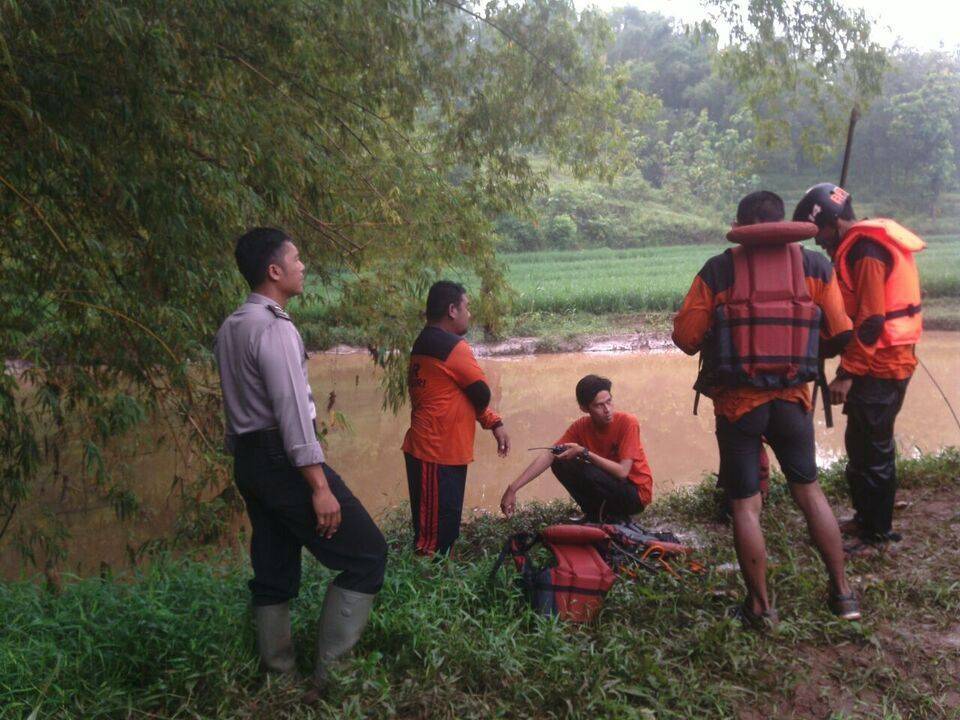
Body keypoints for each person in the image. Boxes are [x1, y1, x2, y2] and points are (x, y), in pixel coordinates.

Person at [672, 191, 860, 627]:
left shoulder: (720, 269)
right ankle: (843, 594)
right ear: (781, 221)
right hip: (794, 401)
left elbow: (686, 338)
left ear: (741, 224)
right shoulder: (816, 266)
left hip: (739, 406)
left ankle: (760, 608)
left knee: (746, 506)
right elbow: (839, 332)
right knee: (809, 491)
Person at [214, 227, 387, 698]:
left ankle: (280, 681)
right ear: (274, 271)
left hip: (249, 461)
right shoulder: (274, 326)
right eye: (296, 258)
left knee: (273, 569)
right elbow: (290, 409)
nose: (303, 265)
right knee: (369, 554)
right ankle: (331, 679)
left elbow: (236, 408)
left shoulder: (232, 325)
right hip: (282, 458)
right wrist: (318, 484)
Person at [794, 184, 924, 553]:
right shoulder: (859, 245)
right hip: (878, 361)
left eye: (818, 233)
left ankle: (877, 535)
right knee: (861, 444)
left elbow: (871, 320)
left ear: (833, 222)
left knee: (873, 449)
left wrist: (847, 373)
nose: (817, 242)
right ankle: (867, 518)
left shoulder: (866, 250)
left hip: (881, 365)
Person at [402, 280, 511, 556]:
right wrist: (490, 415)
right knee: (431, 539)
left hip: (442, 451)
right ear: (452, 310)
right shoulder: (451, 346)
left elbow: (456, 395)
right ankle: (430, 592)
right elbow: (481, 393)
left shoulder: (426, 342)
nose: (469, 314)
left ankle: (441, 587)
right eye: (467, 307)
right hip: (434, 452)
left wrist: (492, 422)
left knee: (444, 530)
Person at [500, 374, 653, 523]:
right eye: (599, 405)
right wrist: (513, 488)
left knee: (584, 466)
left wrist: (584, 452)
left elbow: (622, 472)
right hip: (610, 484)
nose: (607, 410)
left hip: (635, 494)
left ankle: (614, 517)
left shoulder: (628, 422)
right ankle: (594, 514)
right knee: (560, 460)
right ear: (584, 408)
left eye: (609, 401)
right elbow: (549, 454)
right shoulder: (581, 426)